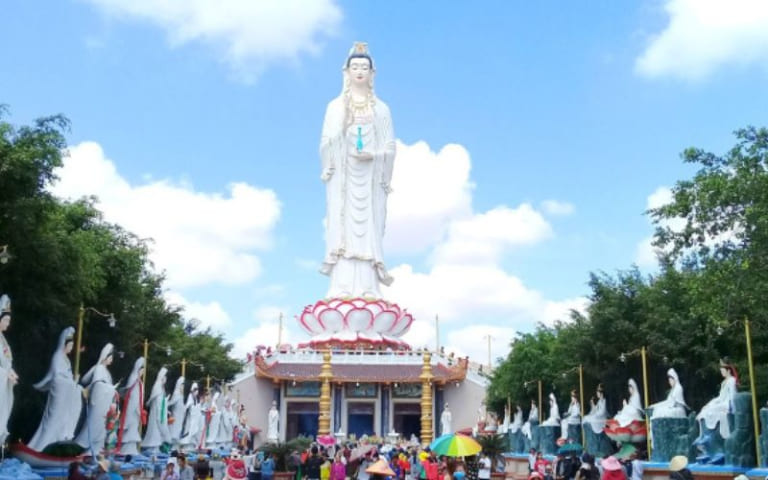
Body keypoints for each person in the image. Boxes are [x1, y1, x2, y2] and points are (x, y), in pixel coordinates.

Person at [319, 41, 397, 299]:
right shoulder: (335, 106)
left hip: (371, 179)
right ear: (347, 72)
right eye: (355, 66)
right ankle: (340, 286)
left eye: (365, 67)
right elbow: (326, 142)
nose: (360, 71)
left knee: (369, 230)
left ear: (372, 73)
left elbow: (389, 146)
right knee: (342, 228)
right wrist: (341, 138)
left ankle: (367, 287)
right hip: (344, 179)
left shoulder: (381, 109)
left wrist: (373, 155)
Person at [28, 326, 84, 450]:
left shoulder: (67, 361)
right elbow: (57, 377)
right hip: (59, 393)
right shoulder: (57, 357)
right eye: (70, 345)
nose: (71, 348)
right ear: (64, 344)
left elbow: (68, 377)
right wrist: (70, 383)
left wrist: (74, 381)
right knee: (53, 419)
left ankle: (59, 442)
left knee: (64, 418)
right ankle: (42, 446)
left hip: (66, 394)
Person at [74, 343, 117, 454]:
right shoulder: (99, 368)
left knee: (102, 427)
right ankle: (84, 447)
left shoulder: (107, 372)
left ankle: (98, 448)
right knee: (94, 424)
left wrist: (112, 390)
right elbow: (97, 384)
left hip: (105, 404)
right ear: (105, 357)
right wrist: (111, 389)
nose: (111, 361)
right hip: (98, 402)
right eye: (110, 358)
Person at [696, 359, 738, 439]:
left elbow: (732, 396)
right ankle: (705, 435)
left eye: (722, 370)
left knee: (711, 410)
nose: (721, 372)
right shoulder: (724, 382)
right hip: (722, 403)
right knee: (706, 409)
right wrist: (708, 404)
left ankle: (712, 435)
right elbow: (720, 397)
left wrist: (731, 408)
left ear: (728, 370)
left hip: (727, 404)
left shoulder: (732, 380)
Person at [117, 357, 145, 455]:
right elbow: (128, 392)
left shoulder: (140, 382)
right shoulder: (133, 379)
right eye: (141, 370)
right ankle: (126, 449)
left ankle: (132, 448)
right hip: (131, 407)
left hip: (137, 409)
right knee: (130, 426)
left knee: (134, 426)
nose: (142, 373)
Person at [0, 294, 18, 446]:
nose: (8, 323)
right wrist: (5, 374)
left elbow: (6, 362)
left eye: (9, 321)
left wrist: (10, 372)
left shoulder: (3, 340)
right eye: (6, 320)